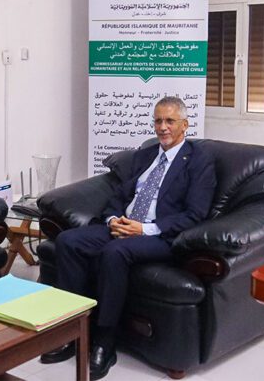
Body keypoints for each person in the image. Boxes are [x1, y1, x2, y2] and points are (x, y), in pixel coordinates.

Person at [40, 96, 217, 380]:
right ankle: (69, 332)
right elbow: (118, 196)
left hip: (160, 235)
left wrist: (144, 229)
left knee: (115, 253)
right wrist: (113, 219)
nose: (162, 127)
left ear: (185, 125)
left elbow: (195, 214)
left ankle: (104, 341)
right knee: (68, 241)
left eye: (170, 121)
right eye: (158, 121)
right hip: (123, 225)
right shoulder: (145, 156)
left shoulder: (198, 161)